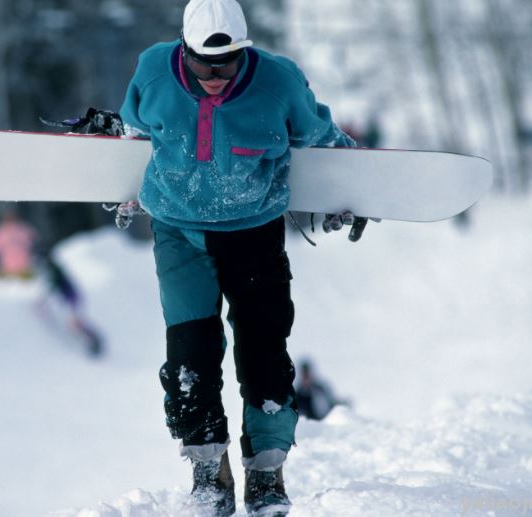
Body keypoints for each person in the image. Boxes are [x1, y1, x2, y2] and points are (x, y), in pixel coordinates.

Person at [109, 1, 368, 514]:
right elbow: (136, 128)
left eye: (225, 64)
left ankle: (267, 473)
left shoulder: (278, 84)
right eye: (204, 64)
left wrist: (352, 190)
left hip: (255, 233)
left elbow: (320, 139)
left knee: (264, 352)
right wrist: (121, 179)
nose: (214, 76)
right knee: (190, 354)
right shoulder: (154, 72)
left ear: (243, 52)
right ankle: (209, 470)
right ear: (184, 52)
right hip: (179, 231)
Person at [0, 209, 37, 278]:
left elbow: (33, 239)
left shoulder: (22, 229)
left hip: (21, 265)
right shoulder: (1, 231)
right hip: (8, 265)